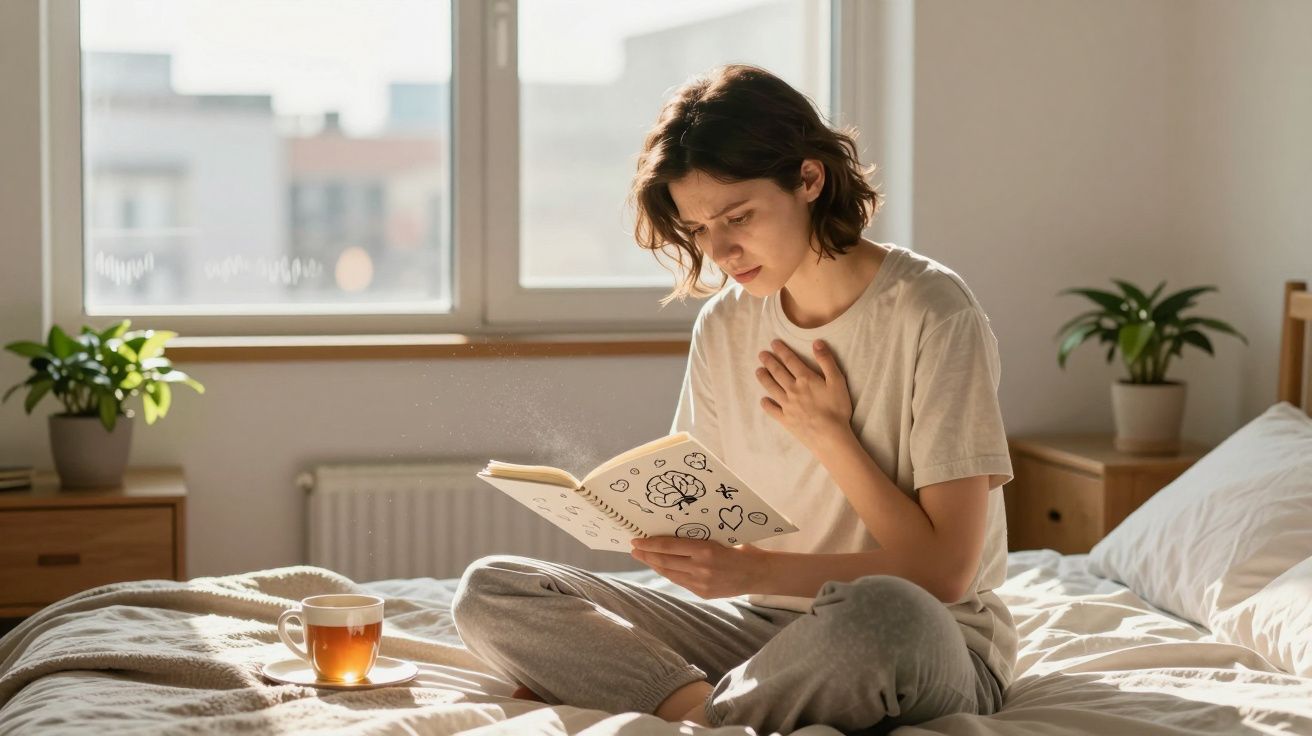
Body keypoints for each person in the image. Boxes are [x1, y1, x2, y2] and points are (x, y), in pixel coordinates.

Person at [452, 63, 1015, 734]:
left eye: (738, 217)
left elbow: (945, 573)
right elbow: (714, 513)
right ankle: (710, 713)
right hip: (762, 632)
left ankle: (689, 713)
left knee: (882, 616)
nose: (719, 250)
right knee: (494, 590)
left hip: (924, 641)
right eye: (698, 230)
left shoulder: (933, 312)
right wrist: (656, 534)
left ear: (810, 179)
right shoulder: (726, 324)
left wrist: (831, 437)